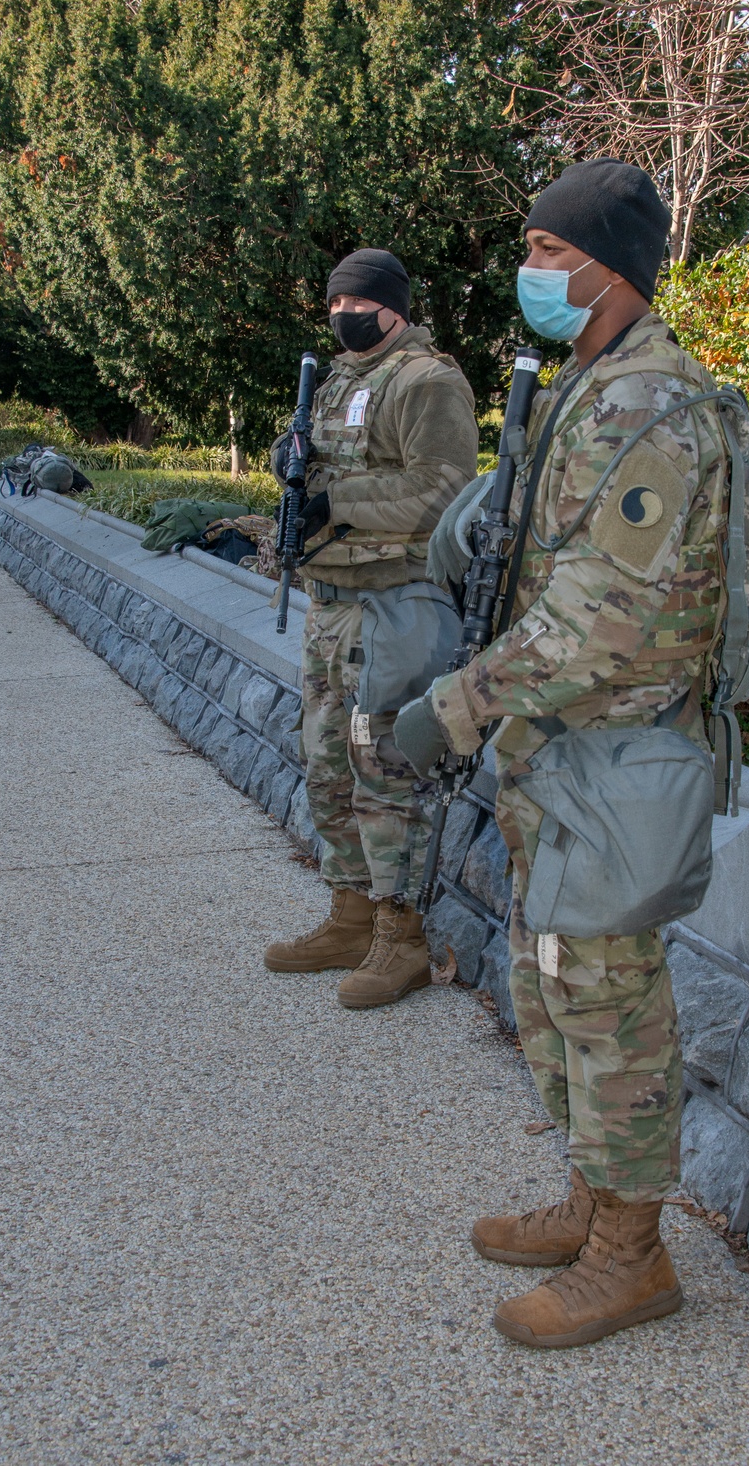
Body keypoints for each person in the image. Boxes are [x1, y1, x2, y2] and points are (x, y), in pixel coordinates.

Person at [394, 160, 732, 1346]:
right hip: (562, 749)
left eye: (547, 249)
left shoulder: (647, 402)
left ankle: (633, 1257)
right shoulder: (589, 384)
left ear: (608, 267)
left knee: (606, 1000)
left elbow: (600, 620)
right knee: (552, 984)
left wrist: (455, 705)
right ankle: (595, 1203)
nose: (529, 271)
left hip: (614, 751)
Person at [264, 248, 479, 1010]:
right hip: (332, 605)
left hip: (394, 604)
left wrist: (339, 501)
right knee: (326, 767)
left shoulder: (428, 381)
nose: (341, 317)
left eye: (354, 304)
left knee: (383, 769)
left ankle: (402, 938)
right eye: (332, 306)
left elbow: (445, 492)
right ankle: (351, 917)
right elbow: (316, 469)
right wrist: (289, 462)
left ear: (391, 306)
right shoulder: (337, 380)